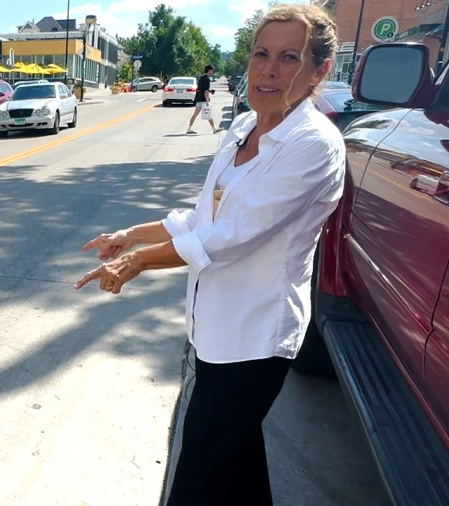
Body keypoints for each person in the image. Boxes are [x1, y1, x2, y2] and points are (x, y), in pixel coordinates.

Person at [74, 4, 343, 504]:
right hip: (215, 331)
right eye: (261, 53)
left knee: (197, 469)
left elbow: (233, 235)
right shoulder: (242, 129)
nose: (268, 69)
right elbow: (204, 216)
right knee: (235, 462)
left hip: (256, 338)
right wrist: (130, 235)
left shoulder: (314, 146)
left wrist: (137, 263)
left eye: (289, 57)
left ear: (318, 71)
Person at [186, 65, 221, 135]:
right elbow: (205, 91)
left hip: (199, 99)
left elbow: (202, 89)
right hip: (204, 101)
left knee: (195, 115)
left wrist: (210, 91)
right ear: (209, 70)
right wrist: (207, 101)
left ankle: (189, 129)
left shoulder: (201, 78)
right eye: (212, 71)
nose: (212, 72)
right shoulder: (207, 79)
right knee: (208, 115)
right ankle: (214, 129)